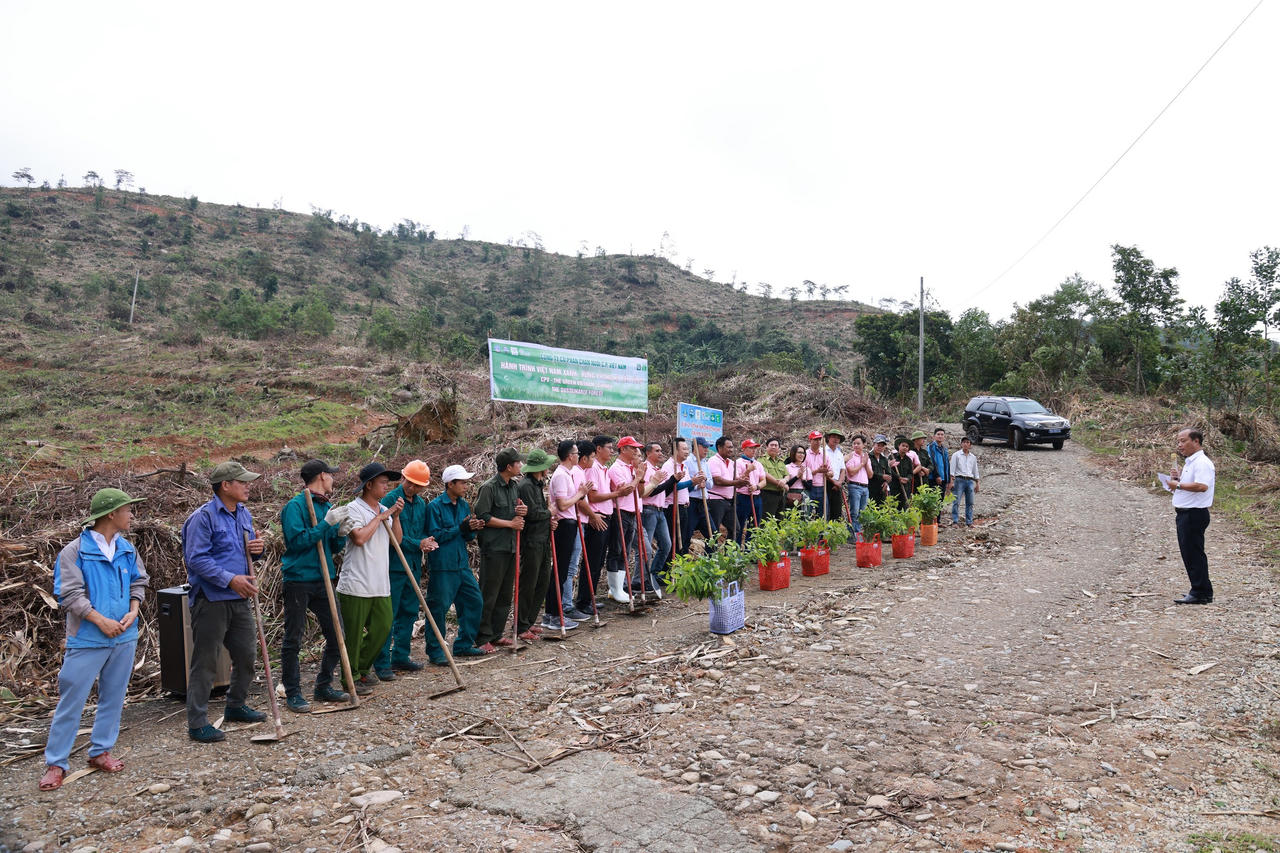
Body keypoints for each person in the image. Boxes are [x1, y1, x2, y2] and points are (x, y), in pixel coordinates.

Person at [40, 489, 149, 791]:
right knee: (71, 700)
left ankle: (100, 751)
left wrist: (133, 611)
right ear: (111, 514)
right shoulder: (74, 552)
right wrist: (100, 621)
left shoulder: (127, 548)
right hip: (88, 639)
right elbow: (69, 594)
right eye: (128, 509)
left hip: (124, 637)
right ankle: (56, 762)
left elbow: (139, 581)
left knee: (113, 697)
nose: (131, 515)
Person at [182, 461, 267, 743]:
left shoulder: (243, 514)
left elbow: (246, 554)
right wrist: (230, 579)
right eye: (241, 481)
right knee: (205, 661)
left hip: (239, 598)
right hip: (212, 599)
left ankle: (235, 705)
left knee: (246, 656)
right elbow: (196, 559)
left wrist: (256, 551)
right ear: (225, 485)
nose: (247, 486)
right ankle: (197, 722)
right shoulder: (203, 518)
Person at [279, 459, 351, 714]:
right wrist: (325, 525)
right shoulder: (295, 507)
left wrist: (340, 534)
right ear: (322, 476)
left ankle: (323, 684)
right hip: (299, 578)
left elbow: (331, 548)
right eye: (331, 476)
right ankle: (293, 693)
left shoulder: (327, 506)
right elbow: (297, 542)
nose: (333, 480)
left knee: (337, 634)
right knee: (293, 638)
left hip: (324, 577)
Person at [337, 462, 404, 694]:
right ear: (369, 485)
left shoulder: (384, 509)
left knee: (383, 628)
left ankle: (363, 668)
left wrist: (395, 517)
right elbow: (359, 538)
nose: (387, 486)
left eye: (388, 482)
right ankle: (350, 678)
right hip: (356, 583)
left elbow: (397, 542)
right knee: (354, 636)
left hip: (380, 582)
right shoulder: (352, 509)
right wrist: (382, 515)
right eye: (383, 482)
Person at [373, 460, 438, 679]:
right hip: (393, 566)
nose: (412, 488)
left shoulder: (421, 504)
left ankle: (401, 656)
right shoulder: (390, 500)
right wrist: (417, 543)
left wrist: (426, 542)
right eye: (410, 483)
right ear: (403, 478)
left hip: (413, 565)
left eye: (418, 486)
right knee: (387, 615)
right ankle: (381, 662)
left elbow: (421, 532)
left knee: (409, 612)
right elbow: (393, 537)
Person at [424, 464, 489, 660]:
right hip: (443, 566)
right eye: (462, 483)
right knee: (438, 608)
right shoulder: (434, 506)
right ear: (450, 484)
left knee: (474, 601)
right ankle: (436, 651)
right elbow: (434, 536)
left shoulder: (462, 505)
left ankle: (463, 644)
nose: (466, 486)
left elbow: (466, 536)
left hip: (461, 564)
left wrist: (473, 528)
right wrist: (460, 528)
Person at [474, 448, 530, 647]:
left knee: (505, 593)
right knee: (489, 593)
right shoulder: (488, 488)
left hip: (511, 547)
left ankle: (496, 634)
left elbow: (516, 511)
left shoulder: (513, 486)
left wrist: (522, 510)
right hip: (494, 547)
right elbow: (482, 516)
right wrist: (510, 524)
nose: (521, 466)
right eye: (518, 463)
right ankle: (482, 637)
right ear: (509, 466)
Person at [1168, 428, 1216, 604]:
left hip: (1194, 514)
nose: (1180, 445)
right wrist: (1180, 478)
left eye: (1183, 441)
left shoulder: (1202, 462)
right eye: (1178, 442)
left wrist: (1178, 486)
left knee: (1194, 553)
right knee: (1189, 553)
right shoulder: (1191, 462)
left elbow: (1202, 486)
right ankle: (1199, 588)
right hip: (1186, 513)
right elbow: (1194, 484)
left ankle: (1201, 592)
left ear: (1196, 441)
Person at [548, 440, 592, 628]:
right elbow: (563, 504)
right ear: (569, 456)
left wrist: (580, 494)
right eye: (575, 452)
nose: (578, 455)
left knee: (563, 570)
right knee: (560, 570)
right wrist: (580, 494)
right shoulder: (560, 476)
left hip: (571, 523)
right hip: (564, 524)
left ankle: (554, 612)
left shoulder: (567, 474)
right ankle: (553, 614)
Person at [515, 447, 557, 639]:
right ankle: (521, 625)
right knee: (529, 583)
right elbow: (531, 513)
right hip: (531, 541)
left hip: (543, 539)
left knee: (543, 581)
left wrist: (550, 521)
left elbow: (541, 512)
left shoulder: (538, 485)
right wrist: (550, 513)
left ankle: (530, 621)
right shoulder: (525, 486)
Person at [607, 436, 647, 597]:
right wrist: (637, 477)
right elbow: (627, 490)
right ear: (623, 449)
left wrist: (640, 477)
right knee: (617, 549)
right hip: (620, 512)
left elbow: (640, 492)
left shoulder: (631, 468)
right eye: (633, 448)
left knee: (626, 550)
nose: (637, 451)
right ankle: (614, 589)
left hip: (632, 512)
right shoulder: (616, 468)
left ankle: (621, 588)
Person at [638, 441, 674, 594]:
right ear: (648, 453)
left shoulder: (657, 469)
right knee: (645, 548)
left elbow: (662, 491)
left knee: (666, 544)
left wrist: (673, 481)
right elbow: (648, 492)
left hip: (660, 510)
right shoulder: (645, 469)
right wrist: (671, 481)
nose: (660, 453)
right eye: (657, 451)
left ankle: (654, 573)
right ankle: (641, 579)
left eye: (661, 450)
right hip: (649, 510)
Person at [707, 436, 746, 542]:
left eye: (732, 447)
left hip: (729, 500)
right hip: (716, 500)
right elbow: (717, 480)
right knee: (714, 531)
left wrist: (743, 482)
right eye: (728, 447)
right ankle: (711, 556)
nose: (731, 450)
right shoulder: (713, 461)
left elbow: (736, 482)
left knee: (735, 529)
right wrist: (736, 482)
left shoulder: (732, 463)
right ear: (719, 447)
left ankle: (728, 556)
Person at [734, 439, 766, 542]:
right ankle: (736, 551)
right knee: (739, 524)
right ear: (744, 449)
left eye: (754, 448)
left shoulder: (758, 464)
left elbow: (763, 481)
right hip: (742, 497)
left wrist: (756, 487)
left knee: (754, 526)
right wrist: (747, 471)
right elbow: (736, 480)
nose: (753, 450)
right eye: (750, 448)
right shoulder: (738, 463)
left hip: (756, 497)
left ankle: (750, 551)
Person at [948, 436, 980, 527]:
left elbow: (975, 470)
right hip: (959, 480)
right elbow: (952, 469)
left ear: (970, 445)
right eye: (964, 442)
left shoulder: (973, 457)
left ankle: (969, 521)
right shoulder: (956, 455)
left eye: (968, 442)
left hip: (969, 480)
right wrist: (951, 481)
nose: (966, 444)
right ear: (961, 444)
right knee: (956, 501)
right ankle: (955, 521)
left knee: (970, 502)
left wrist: (977, 483)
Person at [687, 437, 715, 540]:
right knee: (687, 534)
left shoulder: (705, 463)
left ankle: (710, 556)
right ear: (697, 447)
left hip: (703, 503)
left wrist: (705, 479)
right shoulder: (687, 462)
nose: (707, 450)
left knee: (713, 535)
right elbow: (684, 485)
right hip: (691, 502)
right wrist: (697, 485)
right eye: (704, 447)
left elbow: (710, 485)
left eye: (707, 447)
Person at [844, 434, 871, 533]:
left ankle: (858, 532)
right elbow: (851, 471)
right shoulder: (850, 456)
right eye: (854, 443)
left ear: (864, 444)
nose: (856, 445)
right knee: (854, 512)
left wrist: (866, 463)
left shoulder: (866, 457)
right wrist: (862, 464)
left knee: (862, 512)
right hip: (854, 486)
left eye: (858, 443)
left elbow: (870, 474)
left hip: (865, 487)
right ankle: (852, 534)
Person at [759, 438, 788, 519]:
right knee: (766, 519)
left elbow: (787, 475)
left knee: (780, 520)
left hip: (780, 495)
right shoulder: (762, 460)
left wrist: (784, 480)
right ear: (766, 447)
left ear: (779, 448)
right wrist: (780, 484)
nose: (774, 447)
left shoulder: (781, 462)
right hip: (767, 494)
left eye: (776, 445)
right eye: (771, 445)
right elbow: (765, 474)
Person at [822, 430, 847, 520]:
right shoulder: (823, 451)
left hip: (837, 484)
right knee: (825, 510)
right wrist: (834, 482)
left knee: (836, 511)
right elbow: (823, 471)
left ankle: (834, 533)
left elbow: (843, 469)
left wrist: (839, 482)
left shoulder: (839, 453)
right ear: (828, 438)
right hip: (825, 483)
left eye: (838, 438)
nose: (836, 439)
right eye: (833, 437)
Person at [802, 431, 827, 515]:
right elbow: (803, 474)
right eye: (815, 440)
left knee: (823, 513)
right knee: (807, 512)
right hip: (809, 487)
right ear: (810, 441)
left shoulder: (824, 454)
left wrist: (826, 472)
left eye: (819, 439)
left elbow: (831, 473)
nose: (818, 442)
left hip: (822, 487)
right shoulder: (805, 454)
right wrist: (817, 471)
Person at [889, 437, 916, 506]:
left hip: (905, 487)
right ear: (899, 446)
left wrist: (907, 479)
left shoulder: (908, 460)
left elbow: (910, 473)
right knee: (893, 505)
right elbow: (889, 470)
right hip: (894, 486)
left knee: (904, 506)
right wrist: (899, 478)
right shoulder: (892, 457)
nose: (905, 448)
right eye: (903, 445)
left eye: (907, 446)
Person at [869, 434, 894, 505]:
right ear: (874, 444)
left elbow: (889, 474)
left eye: (882, 446)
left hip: (882, 489)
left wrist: (886, 482)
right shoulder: (868, 457)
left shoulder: (884, 459)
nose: (880, 447)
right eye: (878, 445)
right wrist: (881, 476)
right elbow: (869, 472)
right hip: (871, 487)